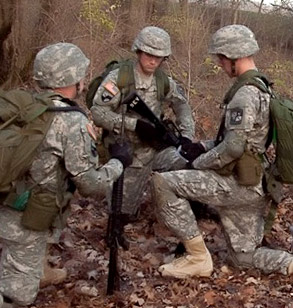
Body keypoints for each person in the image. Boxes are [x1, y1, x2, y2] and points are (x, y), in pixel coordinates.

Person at [151, 24, 293, 279]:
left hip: (233, 183)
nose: (219, 64)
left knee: (163, 183)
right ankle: (288, 263)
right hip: (254, 186)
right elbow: (245, 140)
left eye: (221, 58)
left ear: (232, 58)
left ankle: (197, 257)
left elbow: (233, 147)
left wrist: (198, 163)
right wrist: (203, 146)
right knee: (244, 258)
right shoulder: (263, 88)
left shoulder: (244, 95)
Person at [0, 42, 132, 307]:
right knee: (17, 295)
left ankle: (37, 271)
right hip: (26, 217)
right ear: (73, 79)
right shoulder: (72, 121)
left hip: (6, 199)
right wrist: (118, 163)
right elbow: (89, 184)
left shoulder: (26, 106)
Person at [90, 26, 195, 221]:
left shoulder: (163, 81)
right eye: (148, 54)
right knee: (123, 214)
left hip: (156, 148)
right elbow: (98, 112)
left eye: (159, 56)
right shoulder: (119, 78)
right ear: (138, 51)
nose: (153, 60)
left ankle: (186, 215)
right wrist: (134, 125)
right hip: (126, 152)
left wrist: (187, 136)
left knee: (190, 164)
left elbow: (182, 106)